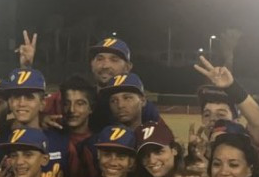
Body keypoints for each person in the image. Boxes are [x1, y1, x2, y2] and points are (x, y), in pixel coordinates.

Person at [17, 33, 162, 130]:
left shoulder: (142, 108)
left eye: (114, 60)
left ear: (128, 67)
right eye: (99, 59)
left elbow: (163, 142)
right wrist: (41, 119)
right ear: (91, 64)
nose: (105, 65)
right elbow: (21, 116)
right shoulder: (74, 95)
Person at [0, 68, 72, 177]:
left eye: (29, 97)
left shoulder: (61, 141)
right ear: (9, 102)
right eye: (16, 97)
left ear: (42, 104)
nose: (22, 103)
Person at [186, 56, 259, 171]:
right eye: (207, 115)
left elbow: (257, 121)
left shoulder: (246, 147)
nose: (213, 119)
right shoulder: (200, 153)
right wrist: (192, 157)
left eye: (221, 115)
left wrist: (232, 87)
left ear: (236, 120)